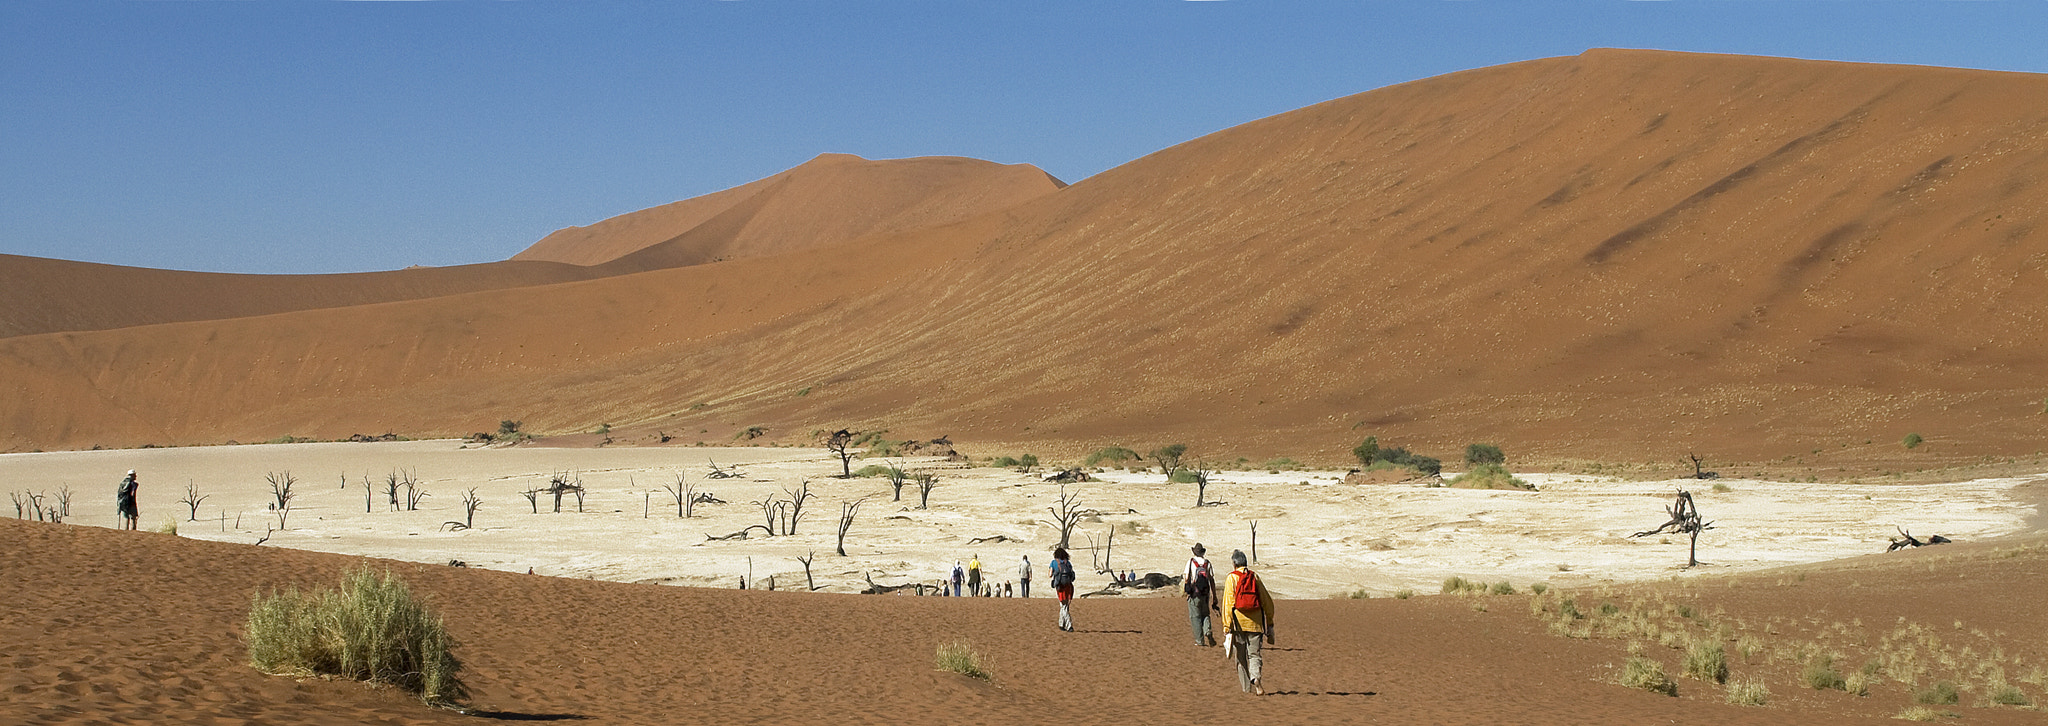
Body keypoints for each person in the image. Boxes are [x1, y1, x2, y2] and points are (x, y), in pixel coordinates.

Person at [1222, 549, 1275, 695]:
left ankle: (1246, 688)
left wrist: (1227, 625)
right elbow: (1266, 601)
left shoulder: (1231, 578)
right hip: (1256, 623)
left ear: (1234, 564)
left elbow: (1228, 603)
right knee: (1254, 655)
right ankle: (1256, 678)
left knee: (1240, 657)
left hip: (1238, 624)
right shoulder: (1254, 576)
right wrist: (1269, 621)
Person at [1184, 543, 1218, 646]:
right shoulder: (1207, 563)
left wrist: (1187, 591)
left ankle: (1200, 641)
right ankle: (1207, 630)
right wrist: (1214, 596)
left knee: (1195, 617)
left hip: (1194, 594)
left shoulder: (1191, 562)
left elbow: (1186, 578)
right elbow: (1211, 580)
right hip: (1205, 594)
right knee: (1205, 614)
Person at [1051, 547, 1076, 631]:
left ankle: (1069, 625)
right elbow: (1072, 574)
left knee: (1063, 606)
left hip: (1060, 587)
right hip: (1068, 586)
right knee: (1065, 606)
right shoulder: (1067, 562)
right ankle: (1061, 624)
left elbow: (1050, 574)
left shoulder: (1054, 562)